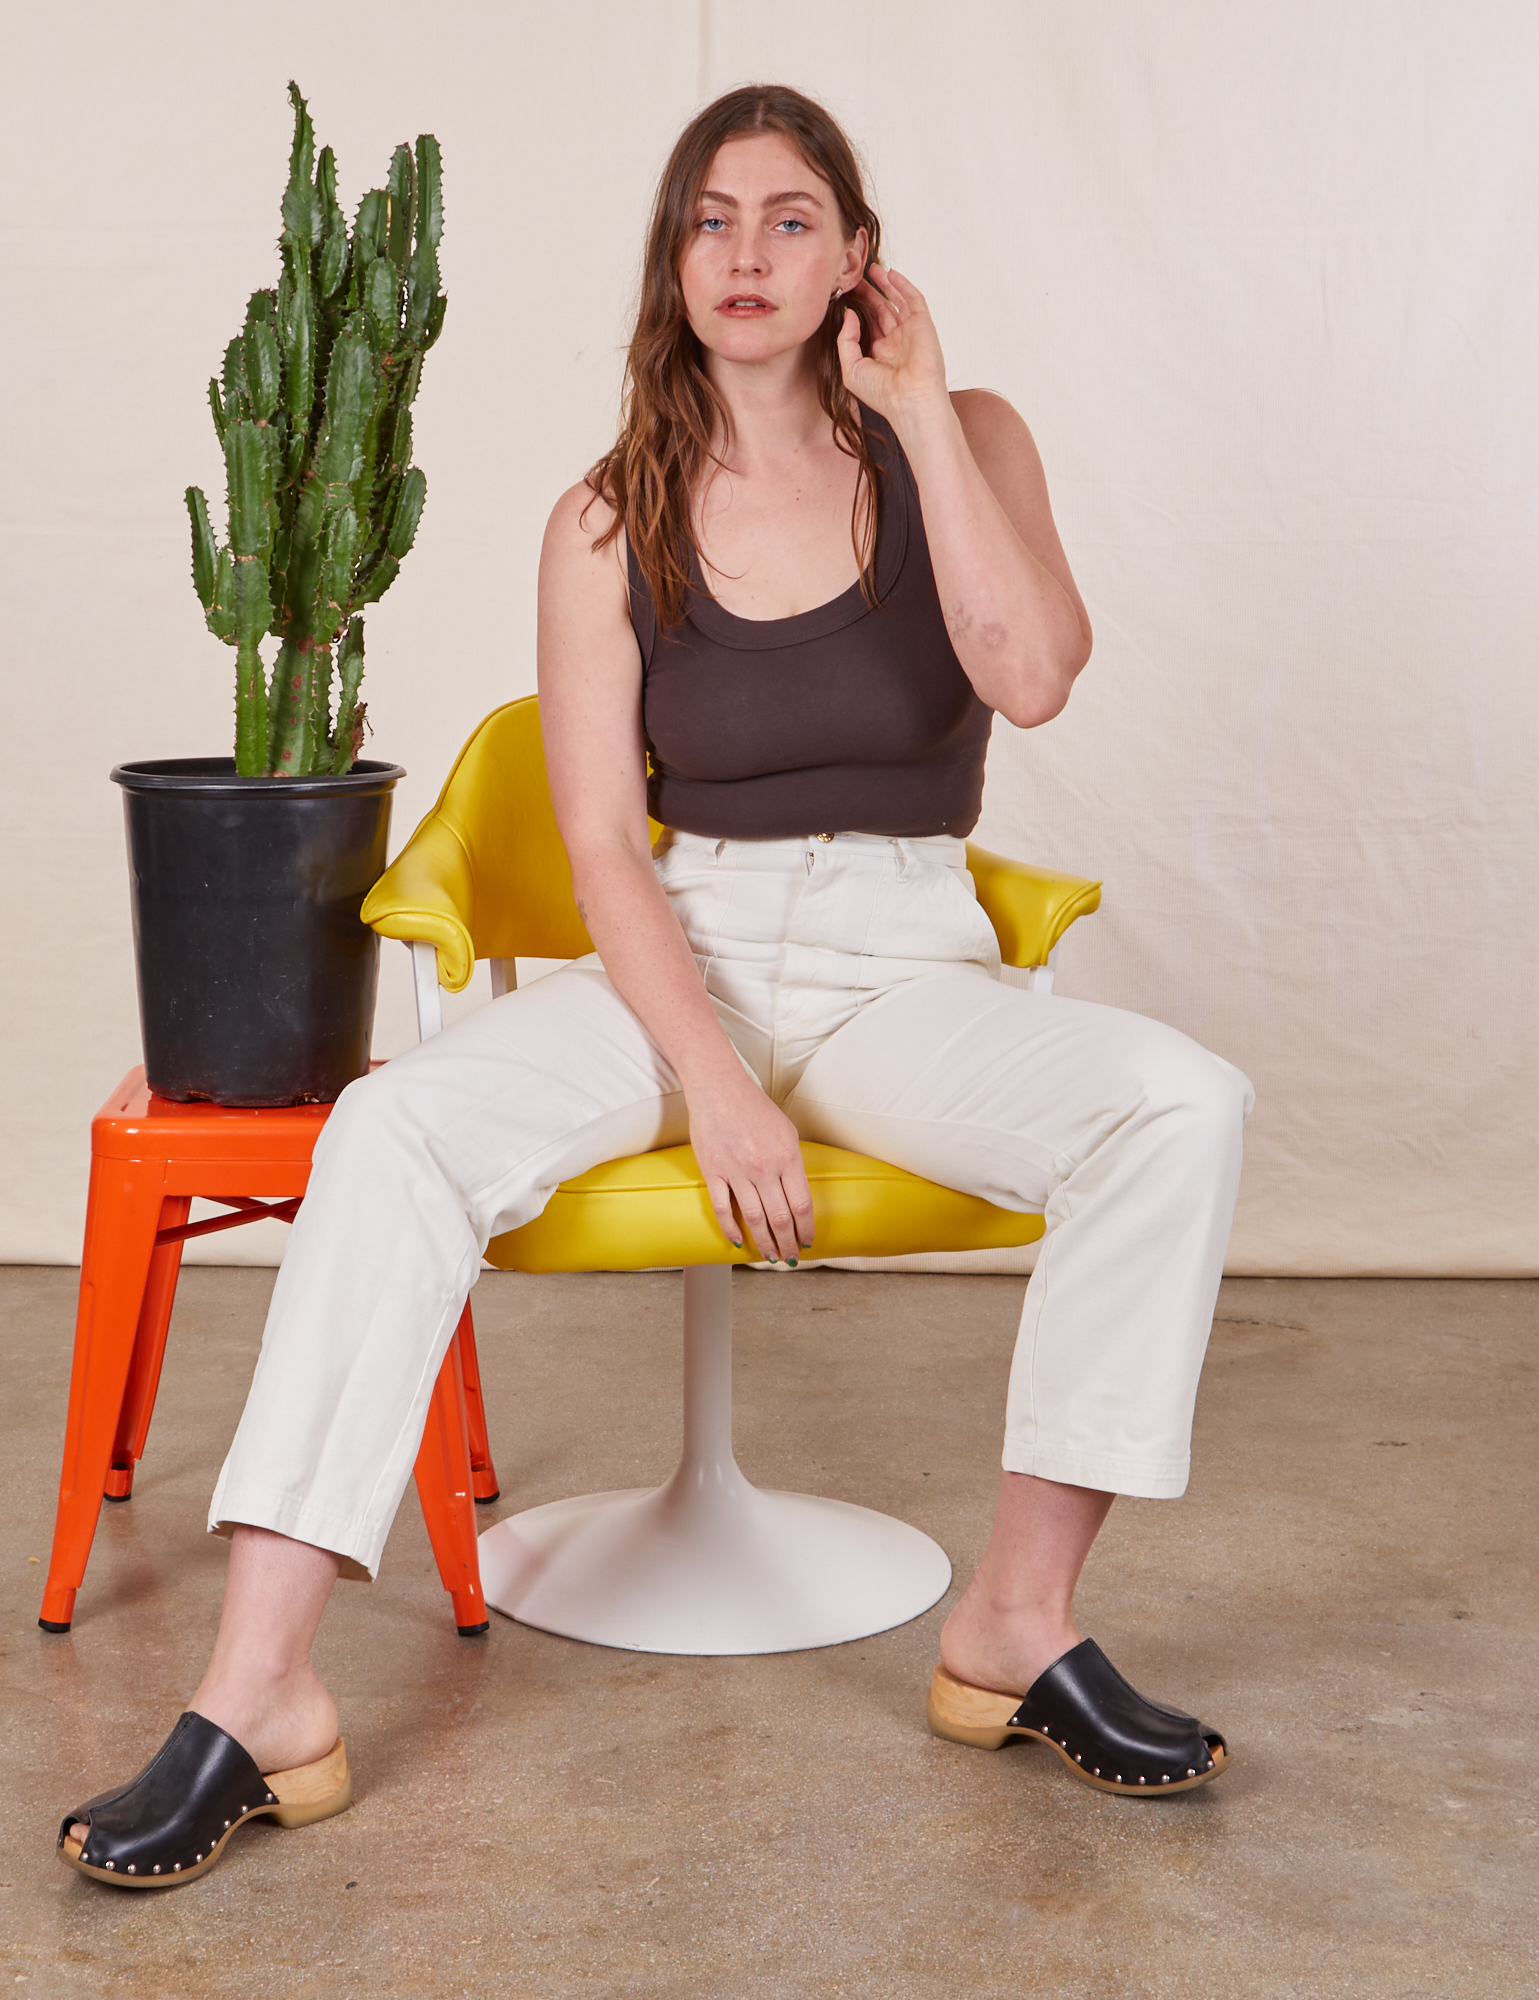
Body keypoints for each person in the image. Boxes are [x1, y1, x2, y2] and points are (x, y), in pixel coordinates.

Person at [60, 83, 1252, 1888]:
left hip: (899, 957)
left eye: (790, 218)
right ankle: (258, 1695)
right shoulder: (609, 520)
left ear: (858, 254)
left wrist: (922, 410)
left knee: (1180, 1104)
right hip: (671, 955)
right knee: (391, 1133)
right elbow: (606, 850)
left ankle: (1015, 1620)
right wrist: (711, 1075)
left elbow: (1030, 678)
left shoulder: (965, 437)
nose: (748, 253)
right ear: (670, 263)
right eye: (711, 219)